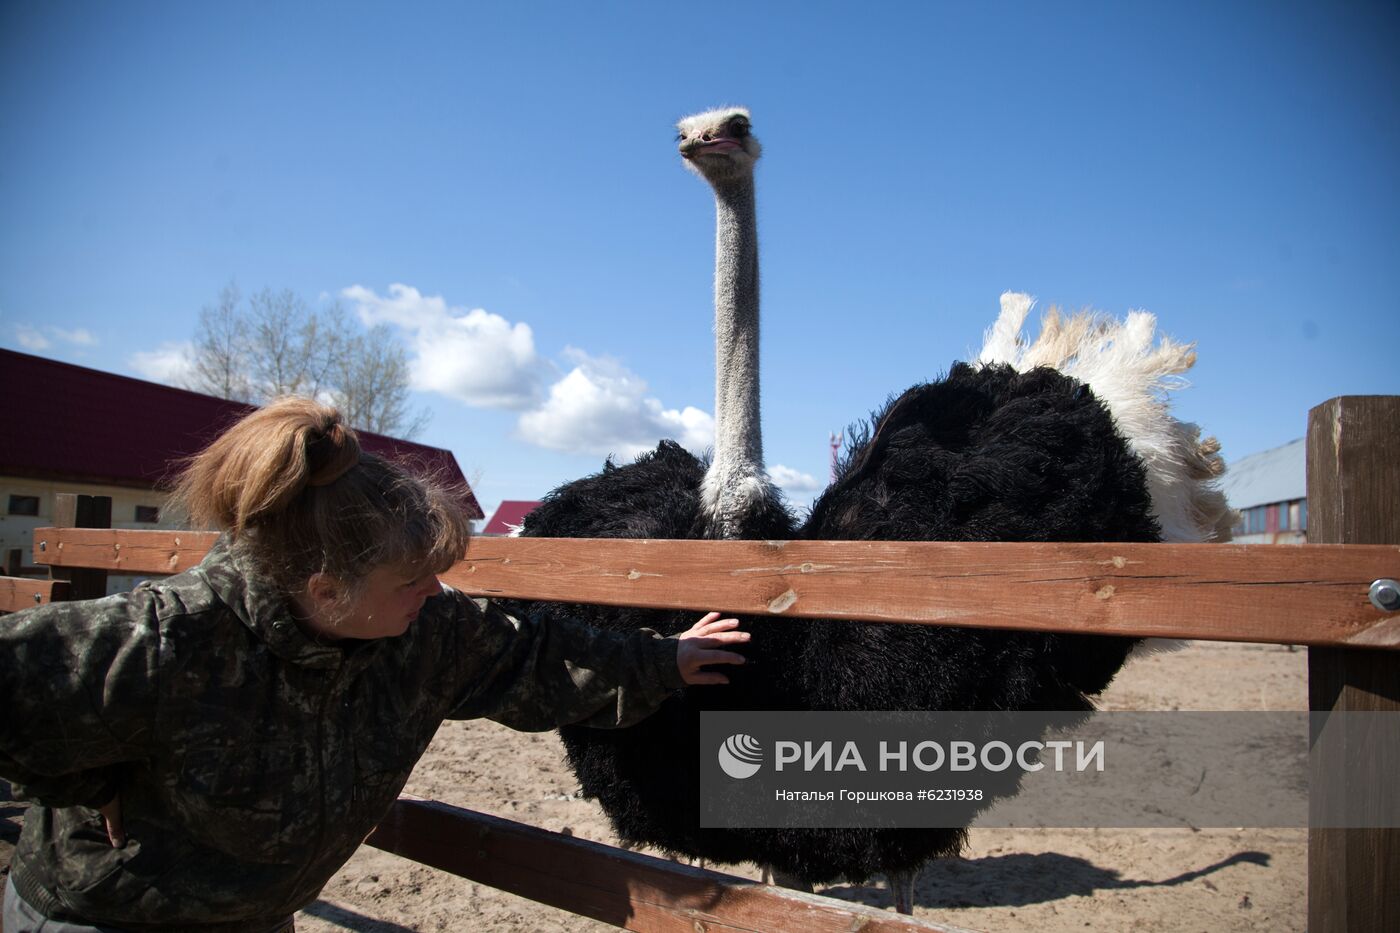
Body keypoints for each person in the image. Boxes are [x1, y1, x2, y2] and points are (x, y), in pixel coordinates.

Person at [0, 398, 750, 933]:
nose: (437, 592)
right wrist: (87, 771)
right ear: (326, 589)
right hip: (97, 917)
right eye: (412, 580)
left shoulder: (423, 631)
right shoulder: (168, 642)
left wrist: (665, 659)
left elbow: (534, 654)